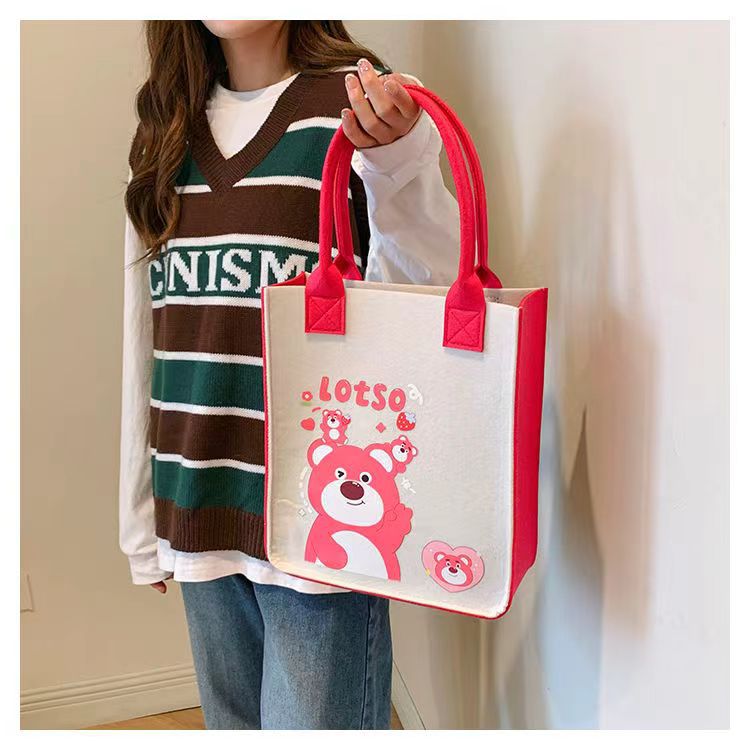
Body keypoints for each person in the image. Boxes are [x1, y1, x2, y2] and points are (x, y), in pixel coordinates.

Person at [119, 20, 459, 730]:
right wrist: (141, 518)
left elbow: (424, 304)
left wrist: (397, 163)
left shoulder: (361, 107)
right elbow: (147, 334)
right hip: (196, 503)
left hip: (324, 526)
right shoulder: (165, 134)